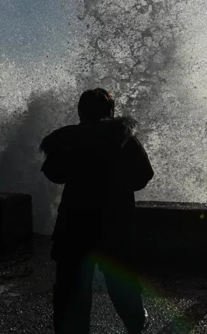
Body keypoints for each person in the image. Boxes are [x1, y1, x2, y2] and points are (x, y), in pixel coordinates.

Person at [40, 88, 154, 334]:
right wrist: (119, 187)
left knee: (72, 286)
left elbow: (53, 173)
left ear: (81, 111)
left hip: (74, 222)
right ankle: (135, 322)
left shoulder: (68, 138)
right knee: (121, 281)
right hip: (115, 222)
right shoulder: (123, 138)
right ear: (110, 111)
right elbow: (144, 175)